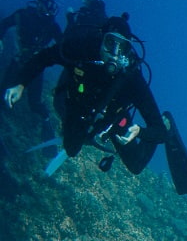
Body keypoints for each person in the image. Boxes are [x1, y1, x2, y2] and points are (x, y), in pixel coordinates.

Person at [4, 13, 168, 176]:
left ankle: (169, 122)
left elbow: (159, 131)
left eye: (122, 47)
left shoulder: (131, 77)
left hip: (112, 117)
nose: (115, 53)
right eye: (110, 42)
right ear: (101, 38)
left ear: (127, 49)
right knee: (71, 149)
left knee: (135, 165)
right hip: (80, 104)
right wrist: (21, 83)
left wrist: (140, 131)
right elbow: (44, 57)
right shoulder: (82, 49)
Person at [0, 0, 62, 131]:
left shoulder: (52, 25)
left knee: (35, 103)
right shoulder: (24, 15)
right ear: (39, 3)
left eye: (52, 3)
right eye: (47, 2)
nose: (50, 6)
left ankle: (46, 122)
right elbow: (4, 23)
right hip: (19, 61)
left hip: (36, 66)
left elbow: (63, 45)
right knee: (3, 93)